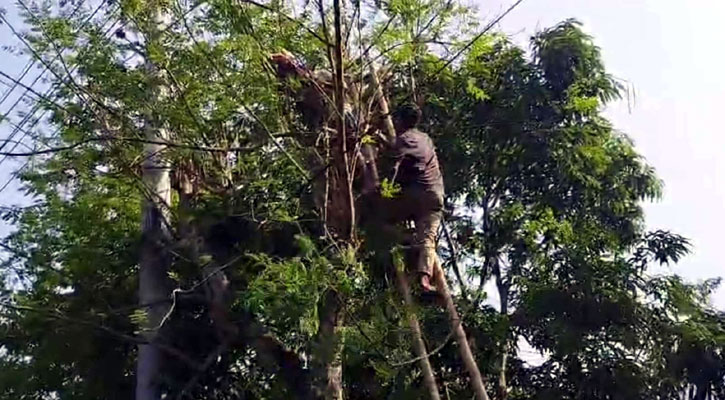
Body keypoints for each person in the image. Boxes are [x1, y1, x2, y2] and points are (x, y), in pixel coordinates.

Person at [385, 104, 445, 294]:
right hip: (434, 196)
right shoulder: (425, 139)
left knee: (382, 215)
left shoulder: (403, 139)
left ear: (400, 121)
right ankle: (424, 278)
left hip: (413, 195)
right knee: (428, 238)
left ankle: (401, 242)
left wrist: (386, 189)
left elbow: (394, 167)